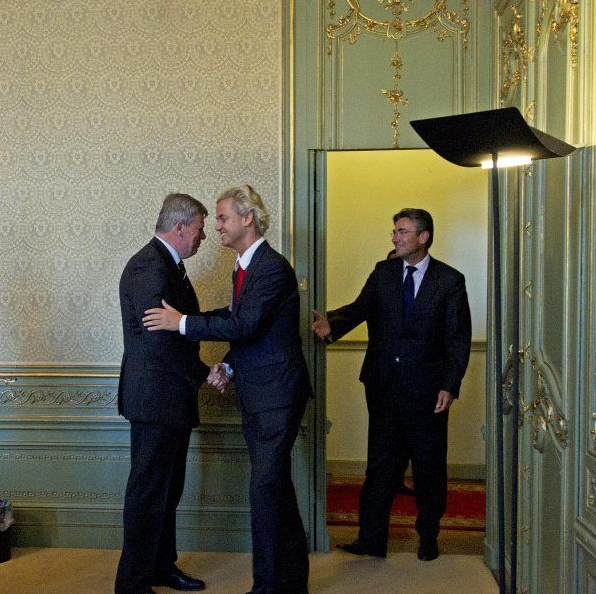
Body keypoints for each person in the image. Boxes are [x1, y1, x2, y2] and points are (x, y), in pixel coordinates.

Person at [143, 185, 312, 594]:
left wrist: (181, 323)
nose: (215, 226)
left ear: (247, 218)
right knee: (276, 489)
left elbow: (244, 326)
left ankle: (268, 586)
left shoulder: (270, 267)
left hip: (276, 396)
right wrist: (228, 365)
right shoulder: (244, 266)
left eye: (222, 218)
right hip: (260, 393)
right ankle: (293, 582)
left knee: (265, 489)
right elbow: (248, 326)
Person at [310, 208, 471, 562]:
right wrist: (331, 326)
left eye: (402, 231)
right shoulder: (383, 272)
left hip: (428, 391)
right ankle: (371, 538)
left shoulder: (449, 280)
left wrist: (450, 384)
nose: (395, 237)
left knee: (428, 464)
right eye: (394, 231)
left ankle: (428, 536)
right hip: (383, 385)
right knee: (380, 463)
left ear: (423, 236)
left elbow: (458, 339)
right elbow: (360, 308)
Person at [115, 193, 220, 594]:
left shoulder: (167, 265)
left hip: (168, 398)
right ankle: (133, 583)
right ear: (179, 227)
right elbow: (159, 340)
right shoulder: (149, 266)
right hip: (155, 399)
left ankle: (160, 567)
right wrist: (205, 373)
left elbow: (180, 326)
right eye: (199, 228)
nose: (204, 236)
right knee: (148, 493)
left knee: (166, 491)